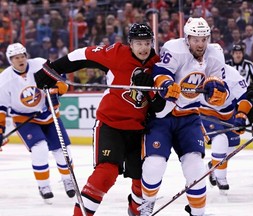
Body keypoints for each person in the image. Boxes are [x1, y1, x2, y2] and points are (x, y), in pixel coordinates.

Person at [33, 23, 164, 216]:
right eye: (138, 43)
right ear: (130, 43)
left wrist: (153, 93)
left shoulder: (158, 64)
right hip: (111, 124)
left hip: (140, 129)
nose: (143, 48)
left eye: (147, 43)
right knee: (106, 174)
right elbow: (83, 55)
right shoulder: (117, 54)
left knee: (143, 179)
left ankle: (136, 211)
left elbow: (161, 107)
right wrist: (51, 69)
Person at [139, 18, 228, 216]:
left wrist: (217, 91)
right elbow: (160, 72)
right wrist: (166, 84)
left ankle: (198, 212)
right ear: (187, 38)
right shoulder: (174, 48)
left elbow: (220, 84)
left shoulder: (215, 54)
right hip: (163, 116)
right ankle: (147, 203)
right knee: (155, 164)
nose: (200, 44)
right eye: (196, 39)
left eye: (204, 39)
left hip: (189, 118)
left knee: (195, 165)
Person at [0, 43, 75, 203]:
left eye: (22, 56)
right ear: (10, 60)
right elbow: (1, 108)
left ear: (26, 56)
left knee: (63, 149)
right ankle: (44, 186)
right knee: (39, 148)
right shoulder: (4, 80)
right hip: (24, 119)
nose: (20, 60)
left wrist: (60, 87)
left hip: (47, 114)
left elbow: (59, 79)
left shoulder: (39, 64)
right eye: (16, 58)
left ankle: (68, 179)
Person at [200, 64, 251, 193]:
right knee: (220, 139)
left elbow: (245, 97)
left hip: (227, 112)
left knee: (230, 147)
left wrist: (241, 116)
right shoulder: (197, 71)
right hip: (205, 111)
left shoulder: (232, 75)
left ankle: (214, 166)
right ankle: (221, 177)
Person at [226, 44, 253, 156]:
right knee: (228, 122)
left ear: (243, 54)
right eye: (236, 53)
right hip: (231, 100)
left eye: (240, 53)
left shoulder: (249, 65)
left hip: (247, 99)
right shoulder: (227, 65)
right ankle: (228, 144)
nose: (238, 55)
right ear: (232, 54)